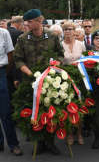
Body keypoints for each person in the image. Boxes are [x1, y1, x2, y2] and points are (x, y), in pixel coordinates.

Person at [14, 9, 63, 155]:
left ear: (39, 21)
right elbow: (18, 59)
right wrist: (30, 73)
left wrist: (55, 67)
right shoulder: (23, 39)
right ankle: (40, 142)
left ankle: (51, 142)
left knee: (50, 110)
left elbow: (60, 54)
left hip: (50, 80)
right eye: (26, 21)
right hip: (31, 81)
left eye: (29, 21)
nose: (26, 24)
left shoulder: (52, 36)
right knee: (35, 111)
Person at [61, 21, 86, 145]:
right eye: (65, 29)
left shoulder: (81, 44)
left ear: (74, 31)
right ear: (63, 31)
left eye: (70, 29)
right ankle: (70, 134)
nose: (68, 31)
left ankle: (79, 133)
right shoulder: (60, 45)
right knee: (68, 106)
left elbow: (86, 60)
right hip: (66, 79)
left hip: (80, 78)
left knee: (79, 106)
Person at [0, 27, 23, 156]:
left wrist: (4, 73)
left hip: (1, 73)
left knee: (5, 111)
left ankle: (14, 144)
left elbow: (10, 56)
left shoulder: (4, 33)